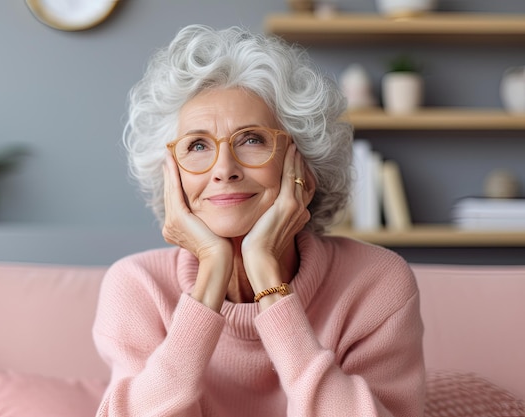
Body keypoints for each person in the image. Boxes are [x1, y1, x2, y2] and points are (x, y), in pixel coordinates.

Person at [93, 24, 425, 417]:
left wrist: (270, 283)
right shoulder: (137, 287)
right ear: (171, 175)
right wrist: (211, 275)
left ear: (302, 164)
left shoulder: (377, 283)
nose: (224, 169)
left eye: (252, 140)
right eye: (197, 145)